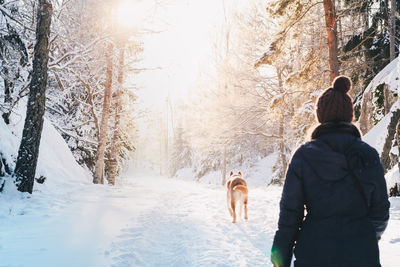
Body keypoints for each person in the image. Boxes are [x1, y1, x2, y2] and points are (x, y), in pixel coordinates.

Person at [271, 75, 390, 267]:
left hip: (313, 255)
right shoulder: (368, 155)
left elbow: (290, 215)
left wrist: (280, 259)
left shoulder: (303, 156)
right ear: (349, 115)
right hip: (361, 255)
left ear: (320, 116)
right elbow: (381, 211)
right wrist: (366, 237)